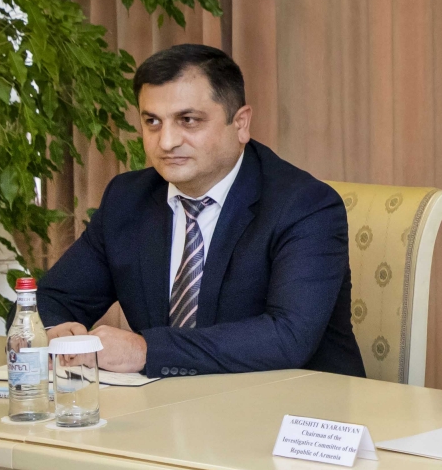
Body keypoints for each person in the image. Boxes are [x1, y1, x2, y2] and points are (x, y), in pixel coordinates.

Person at [37, 43, 365, 378]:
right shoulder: (128, 199)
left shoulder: (305, 206)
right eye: (152, 121)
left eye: (188, 120)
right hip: (166, 404)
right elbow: (52, 299)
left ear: (241, 123)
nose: (166, 142)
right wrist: (55, 330)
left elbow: (288, 337)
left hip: (293, 403)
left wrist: (146, 350)